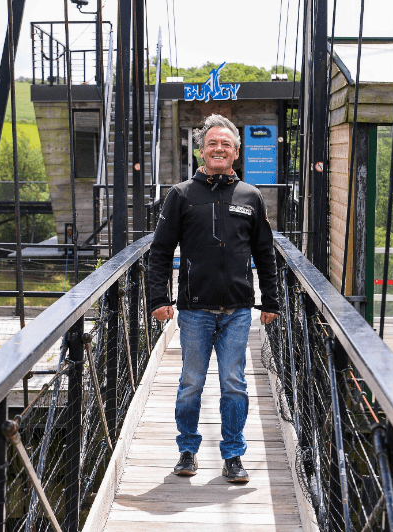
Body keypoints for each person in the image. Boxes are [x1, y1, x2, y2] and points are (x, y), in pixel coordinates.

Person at [147, 114, 279, 483]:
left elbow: (265, 254)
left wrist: (270, 301)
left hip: (238, 310)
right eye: (212, 143)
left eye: (226, 144)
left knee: (234, 384)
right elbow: (159, 251)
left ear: (236, 153)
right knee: (191, 383)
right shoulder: (182, 195)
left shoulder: (250, 197)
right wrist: (159, 297)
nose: (218, 149)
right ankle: (187, 450)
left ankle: (233, 455)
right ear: (201, 151)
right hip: (194, 311)